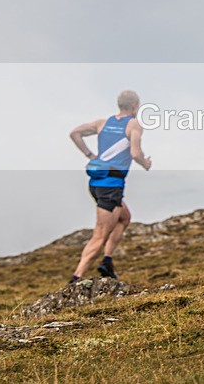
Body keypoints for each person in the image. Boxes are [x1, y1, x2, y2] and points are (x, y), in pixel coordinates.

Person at [68, 90, 152, 282]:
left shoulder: (102, 123)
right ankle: (76, 277)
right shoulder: (134, 125)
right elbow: (135, 153)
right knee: (100, 234)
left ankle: (107, 261)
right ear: (135, 106)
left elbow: (75, 133)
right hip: (111, 185)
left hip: (97, 182)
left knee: (124, 217)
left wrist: (90, 155)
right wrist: (145, 163)